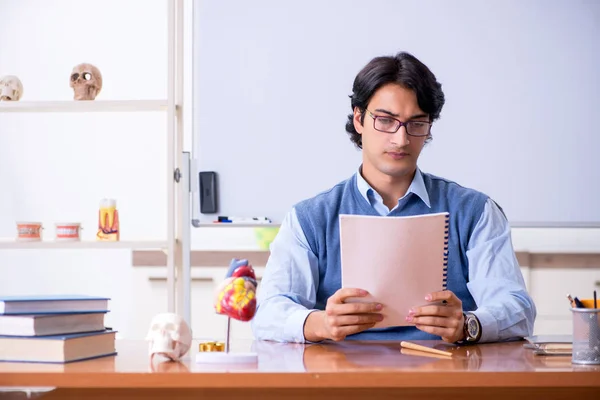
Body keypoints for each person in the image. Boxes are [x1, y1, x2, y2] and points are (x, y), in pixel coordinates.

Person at [251, 51, 536, 344]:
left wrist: (469, 325)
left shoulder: (475, 212)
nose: (401, 139)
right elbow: (268, 311)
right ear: (359, 119)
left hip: (446, 380)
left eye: (416, 124)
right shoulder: (310, 218)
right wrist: (320, 323)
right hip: (342, 382)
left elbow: (518, 309)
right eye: (386, 121)